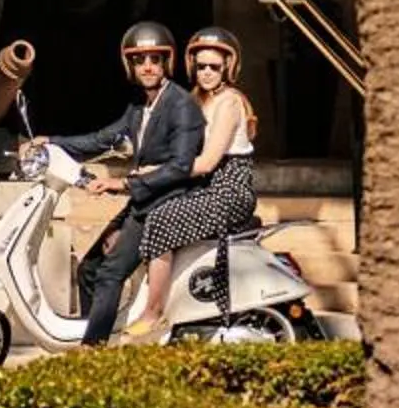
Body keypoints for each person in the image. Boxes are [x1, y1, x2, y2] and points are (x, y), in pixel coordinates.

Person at [47, 20, 205, 344]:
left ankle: (93, 350)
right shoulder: (139, 108)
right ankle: (94, 335)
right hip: (143, 200)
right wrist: (50, 142)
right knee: (88, 270)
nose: (147, 66)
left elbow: (180, 166)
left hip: (166, 202)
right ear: (130, 65)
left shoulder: (182, 105)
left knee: (110, 272)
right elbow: (102, 140)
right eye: (139, 60)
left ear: (166, 62)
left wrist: (126, 185)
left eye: (154, 59)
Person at [119, 26, 262, 342]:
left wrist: (159, 171)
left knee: (162, 220)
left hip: (229, 190)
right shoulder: (196, 99)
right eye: (201, 66)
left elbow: (208, 161)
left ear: (228, 66)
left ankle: (153, 313)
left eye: (214, 66)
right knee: (143, 211)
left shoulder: (229, 103)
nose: (207, 72)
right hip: (206, 186)